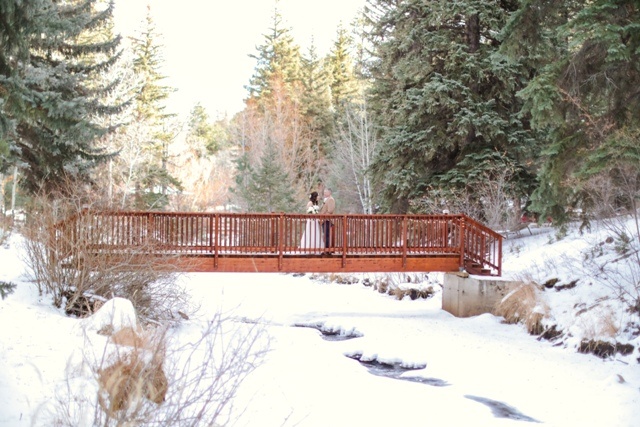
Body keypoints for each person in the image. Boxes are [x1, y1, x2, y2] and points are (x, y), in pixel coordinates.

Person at [318, 187, 335, 252]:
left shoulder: (331, 199)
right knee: (324, 234)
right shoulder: (325, 199)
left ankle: (327, 249)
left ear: (329, 192)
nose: (324, 193)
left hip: (327, 220)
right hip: (324, 219)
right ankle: (325, 248)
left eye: (326, 192)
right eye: (324, 192)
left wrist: (323, 218)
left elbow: (330, 210)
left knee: (326, 234)